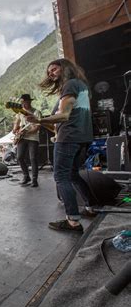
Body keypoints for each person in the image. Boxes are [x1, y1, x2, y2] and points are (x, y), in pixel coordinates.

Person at [26, 58, 94, 233]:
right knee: (72, 175)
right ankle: (90, 207)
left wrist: (39, 119)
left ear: (65, 68)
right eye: (49, 72)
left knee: (61, 177)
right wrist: (43, 123)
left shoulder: (70, 84)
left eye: (54, 69)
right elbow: (62, 120)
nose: (51, 73)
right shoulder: (81, 86)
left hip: (69, 137)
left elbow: (64, 116)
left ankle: (73, 221)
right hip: (81, 137)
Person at [12, 94, 42, 187]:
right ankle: (26, 176)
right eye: (22, 102)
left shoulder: (36, 112)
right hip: (22, 138)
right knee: (19, 157)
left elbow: (37, 128)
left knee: (33, 158)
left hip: (33, 138)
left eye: (24, 102)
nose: (23, 104)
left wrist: (26, 133)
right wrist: (15, 130)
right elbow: (16, 123)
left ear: (29, 101)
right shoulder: (20, 113)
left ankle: (34, 179)